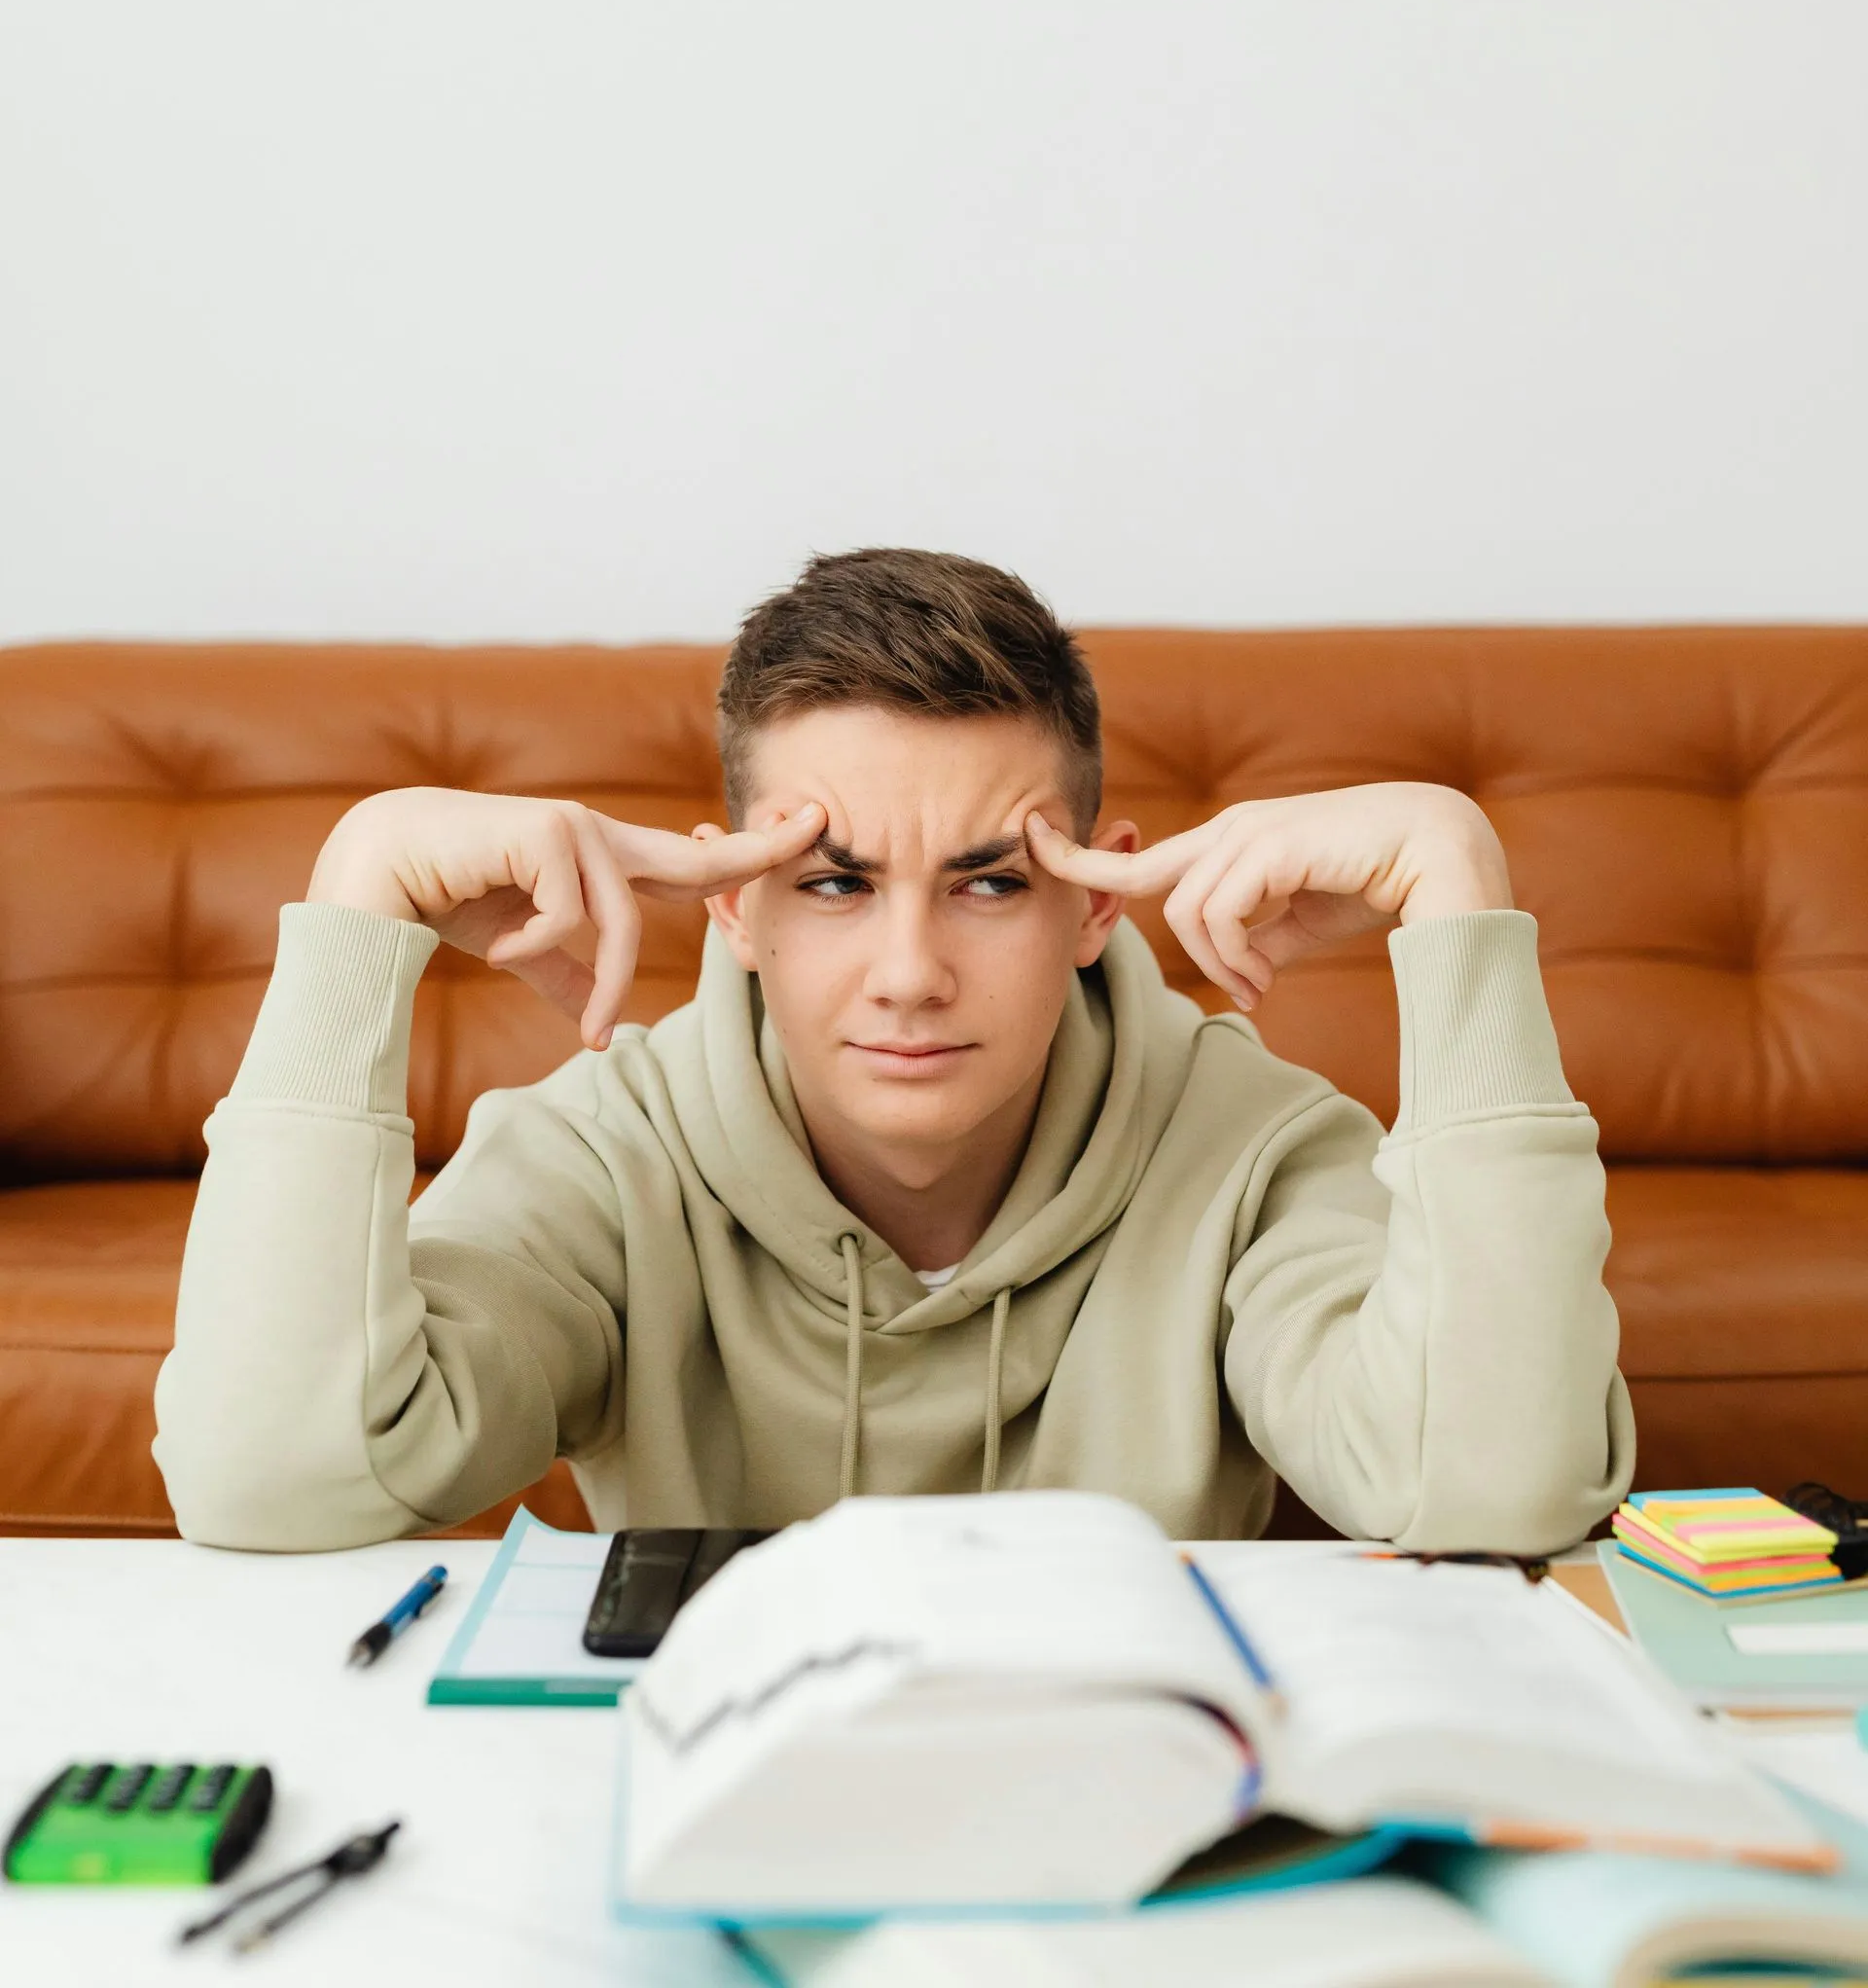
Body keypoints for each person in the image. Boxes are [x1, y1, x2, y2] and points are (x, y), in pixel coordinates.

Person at [154, 549, 1634, 1551]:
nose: (912, 974)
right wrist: (359, 898)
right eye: (835, 881)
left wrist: (1455, 880)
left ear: (1091, 905)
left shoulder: (1249, 1145)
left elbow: (1491, 1495)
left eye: (991, 880)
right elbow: (271, 1479)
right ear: (734, 904)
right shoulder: (605, 1153)